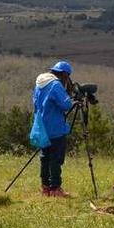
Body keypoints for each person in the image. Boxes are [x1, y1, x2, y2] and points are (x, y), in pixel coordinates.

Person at [33, 60, 74, 197]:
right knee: (56, 159)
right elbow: (66, 105)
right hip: (55, 127)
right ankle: (55, 188)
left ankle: (45, 187)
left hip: (42, 127)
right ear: (64, 74)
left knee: (45, 157)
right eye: (67, 77)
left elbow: (35, 102)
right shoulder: (55, 84)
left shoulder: (40, 83)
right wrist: (72, 99)